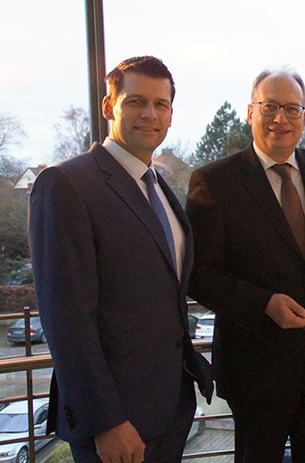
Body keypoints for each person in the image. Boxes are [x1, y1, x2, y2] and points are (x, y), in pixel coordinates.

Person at [28, 55, 213, 462]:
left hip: (170, 409)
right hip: (116, 424)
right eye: (136, 101)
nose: (150, 114)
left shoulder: (159, 187)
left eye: (161, 104)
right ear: (109, 106)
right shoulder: (65, 184)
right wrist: (105, 423)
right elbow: (66, 320)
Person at [185, 68, 305, 462]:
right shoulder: (214, 181)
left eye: (292, 108)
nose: (281, 118)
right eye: (270, 107)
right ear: (250, 112)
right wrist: (263, 303)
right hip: (256, 369)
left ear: (304, 117)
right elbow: (198, 275)